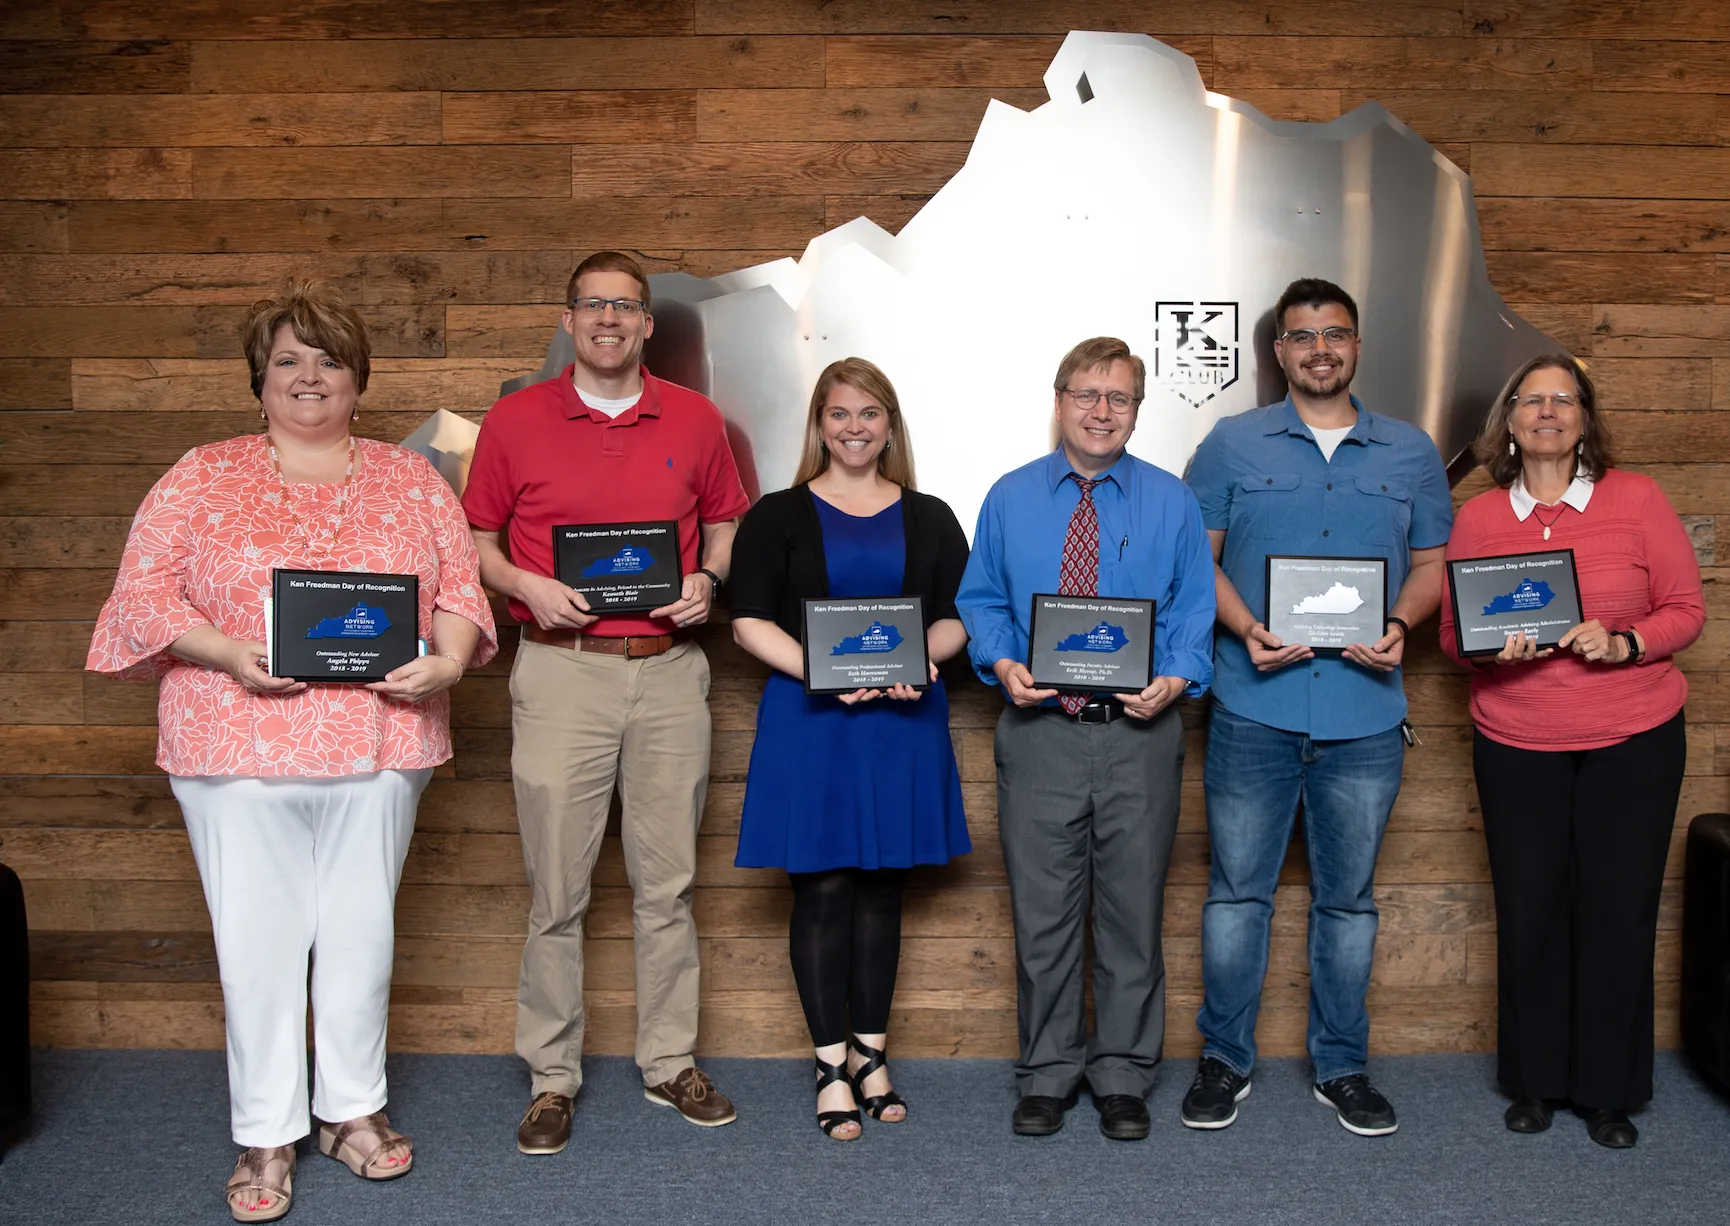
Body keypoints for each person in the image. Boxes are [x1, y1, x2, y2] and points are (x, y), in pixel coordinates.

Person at [86, 281, 497, 1223]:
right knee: (258, 946)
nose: (309, 377)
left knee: (362, 934)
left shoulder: (410, 479)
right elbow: (143, 594)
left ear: (358, 378)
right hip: (236, 737)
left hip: (382, 735)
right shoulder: (202, 472)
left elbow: (462, 593)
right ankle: (266, 1130)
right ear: (258, 380)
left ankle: (351, 1111)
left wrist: (448, 664)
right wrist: (231, 653)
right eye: (288, 360)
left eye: (329, 360)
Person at [463, 251, 750, 1153]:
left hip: (668, 670)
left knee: (668, 885)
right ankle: (552, 1077)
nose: (610, 322)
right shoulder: (515, 420)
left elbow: (726, 520)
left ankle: (670, 1062)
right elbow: (475, 533)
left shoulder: (698, 419)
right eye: (594, 306)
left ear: (648, 322)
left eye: (626, 307)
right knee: (559, 888)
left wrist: (708, 576)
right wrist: (522, 584)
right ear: (568, 317)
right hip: (560, 668)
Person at [1181, 278, 1453, 1137]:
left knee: (1350, 903)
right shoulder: (1230, 444)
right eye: (1303, 337)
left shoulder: (1409, 452)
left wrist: (1404, 623)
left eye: (1335, 334)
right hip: (1253, 707)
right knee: (1236, 898)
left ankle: (1343, 1066)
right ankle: (1224, 1060)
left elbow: (1431, 565)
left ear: (1358, 346)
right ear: (1279, 352)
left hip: (1366, 716)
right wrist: (1250, 628)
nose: (1320, 349)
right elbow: (1199, 563)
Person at [1439, 354, 1704, 1148]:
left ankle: (1609, 1093)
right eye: (1531, 399)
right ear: (1510, 421)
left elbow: (1685, 610)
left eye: (1564, 399)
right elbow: (1455, 638)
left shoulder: (1637, 499)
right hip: (1518, 741)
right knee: (1531, 914)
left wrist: (1624, 641)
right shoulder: (1480, 518)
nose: (1548, 411)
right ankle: (1535, 1083)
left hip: (1634, 739)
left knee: (1617, 915)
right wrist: (1494, 653)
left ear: (1585, 417)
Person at [955, 336, 1215, 1141]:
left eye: (1120, 398)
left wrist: (1174, 677)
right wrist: (1001, 661)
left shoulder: (1172, 501)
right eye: (1086, 394)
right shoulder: (1009, 497)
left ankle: (1123, 1074)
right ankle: (1048, 1072)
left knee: (1133, 913)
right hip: (1040, 733)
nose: (1102, 411)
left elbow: (1193, 611)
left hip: (1140, 735)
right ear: (1060, 400)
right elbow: (982, 598)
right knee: (1043, 915)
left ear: (1137, 410)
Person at [729, 358, 973, 1140]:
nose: (855, 428)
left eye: (870, 414)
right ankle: (829, 1061)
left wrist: (925, 663)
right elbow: (749, 620)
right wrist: (826, 673)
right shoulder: (777, 515)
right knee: (824, 889)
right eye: (840, 415)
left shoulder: (931, 516)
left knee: (881, 889)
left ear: (890, 425)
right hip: (812, 723)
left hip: (901, 723)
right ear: (819, 424)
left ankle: (873, 1053)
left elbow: (956, 614)